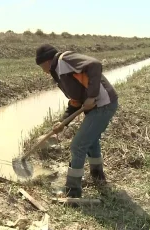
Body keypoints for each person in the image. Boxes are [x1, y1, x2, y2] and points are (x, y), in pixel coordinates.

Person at [35, 44, 118, 198]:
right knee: (91, 142)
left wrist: (92, 96)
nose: (43, 71)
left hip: (103, 105)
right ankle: (98, 177)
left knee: (77, 146)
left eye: (41, 66)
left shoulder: (64, 60)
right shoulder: (59, 74)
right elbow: (75, 101)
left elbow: (94, 64)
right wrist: (62, 123)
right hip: (96, 108)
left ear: (46, 62)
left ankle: (73, 191)